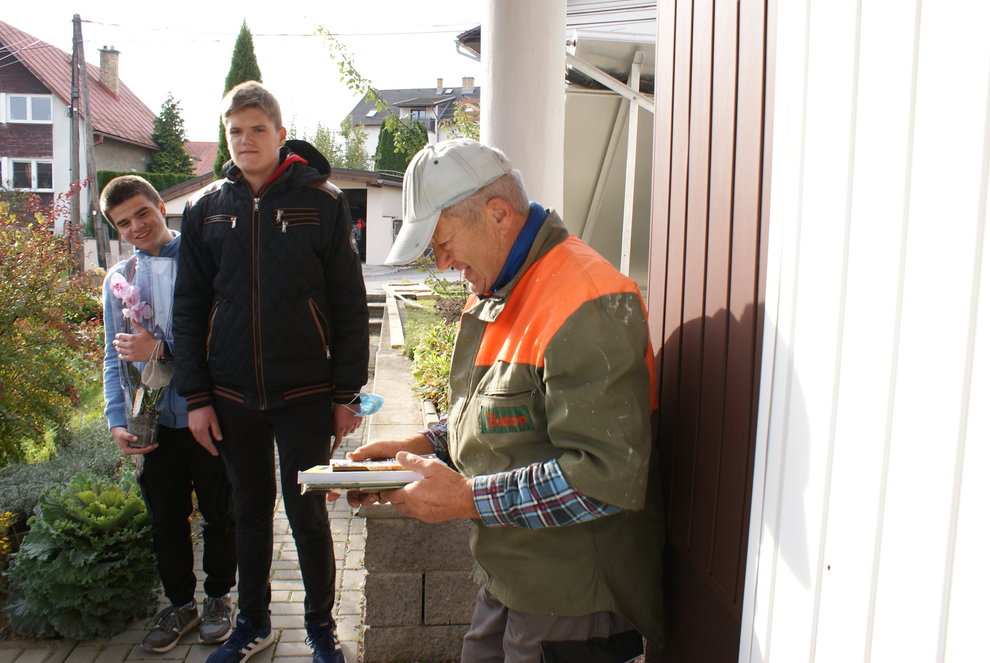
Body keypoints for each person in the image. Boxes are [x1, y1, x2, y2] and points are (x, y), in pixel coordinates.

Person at [346, 139, 665, 662]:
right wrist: (423, 445)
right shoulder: (502, 288)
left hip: (573, 598)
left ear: (498, 215)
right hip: (511, 577)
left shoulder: (589, 300)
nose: (441, 263)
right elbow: (502, 412)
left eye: (442, 242)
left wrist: (466, 498)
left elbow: (605, 480)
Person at [172, 81, 369, 663]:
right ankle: (253, 624)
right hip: (231, 395)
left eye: (258, 129)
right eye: (235, 130)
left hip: (306, 393)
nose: (246, 139)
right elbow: (189, 308)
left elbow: (348, 304)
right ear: (225, 137)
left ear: (281, 134)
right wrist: (197, 397)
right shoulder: (206, 210)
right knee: (248, 513)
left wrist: (347, 394)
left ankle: (320, 628)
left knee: (307, 512)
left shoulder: (323, 203)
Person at [99, 175, 236, 653]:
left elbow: (225, 338)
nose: (136, 226)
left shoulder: (202, 261)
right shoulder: (119, 279)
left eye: (142, 212)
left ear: (161, 206)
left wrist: (161, 348)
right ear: (115, 229)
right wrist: (117, 418)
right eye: (123, 222)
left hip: (209, 413)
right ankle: (180, 603)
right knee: (166, 519)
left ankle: (219, 597)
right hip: (152, 424)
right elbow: (113, 354)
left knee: (220, 513)